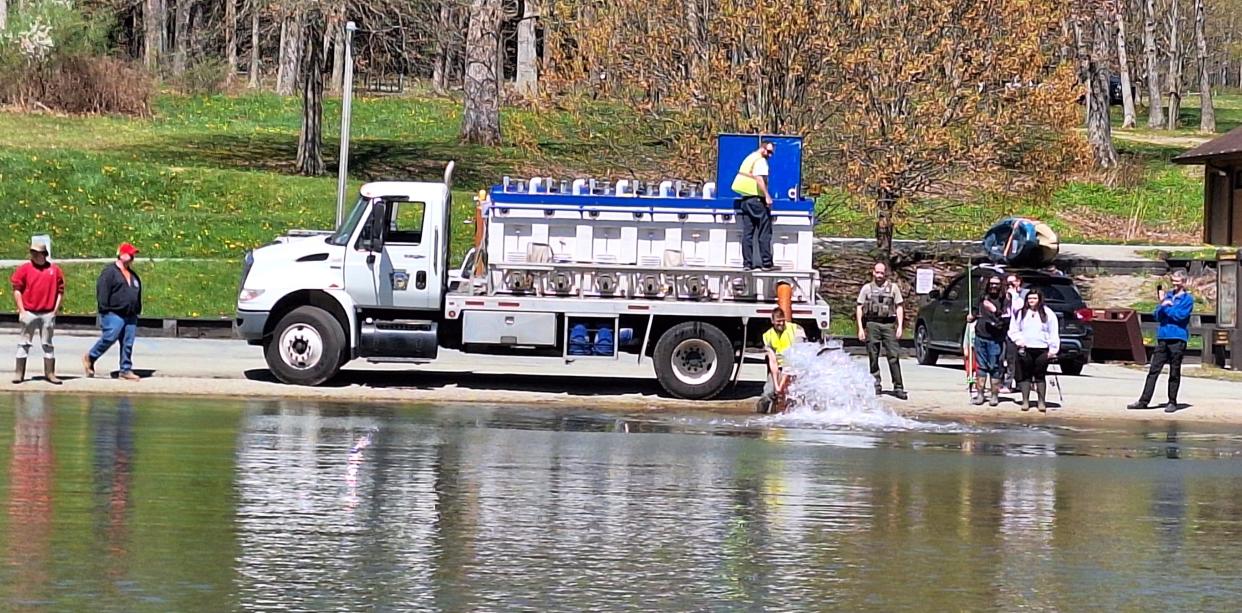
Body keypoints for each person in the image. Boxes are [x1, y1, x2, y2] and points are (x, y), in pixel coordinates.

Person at [1128, 270, 1194, 413]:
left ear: (1184, 282)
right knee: (1153, 370)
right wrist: (1164, 304)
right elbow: (1157, 315)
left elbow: (1180, 316)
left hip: (1177, 338)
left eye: (1177, 281)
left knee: (1174, 371)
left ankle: (1172, 401)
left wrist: (1167, 306)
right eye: (1173, 281)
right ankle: (1143, 401)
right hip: (1163, 337)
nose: (1175, 284)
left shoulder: (1187, 299)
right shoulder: (1168, 296)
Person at [84, 243, 143, 381]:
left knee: (128, 343)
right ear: (121, 255)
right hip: (113, 313)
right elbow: (102, 290)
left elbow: (136, 291)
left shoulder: (133, 274)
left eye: (133, 254)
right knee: (110, 337)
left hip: (130, 314)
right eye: (130, 254)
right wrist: (104, 308)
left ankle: (125, 369)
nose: (132, 257)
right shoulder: (109, 272)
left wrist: (137, 308)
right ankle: (91, 356)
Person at [10, 238, 64, 384]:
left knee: (47, 344)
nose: (34, 255)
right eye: (33, 252)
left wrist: (55, 311)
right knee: (24, 343)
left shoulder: (54, 270)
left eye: (37, 252)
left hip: (47, 313)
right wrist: (22, 310)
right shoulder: (25, 269)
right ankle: (19, 373)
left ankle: (50, 373)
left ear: (44, 254)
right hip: (29, 311)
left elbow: (60, 291)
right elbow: (17, 289)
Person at [857, 262, 906, 400]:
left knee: (893, 356)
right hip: (872, 324)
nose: (879, 275)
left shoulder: (893, 288)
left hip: (888, 325)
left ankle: (898, 387)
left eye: (882, 273)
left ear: (886, 273)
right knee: (873, 355)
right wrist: (860, 328)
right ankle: (876, 384)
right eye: (877, 272)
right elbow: (859, 307)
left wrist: (900, 326)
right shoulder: (866, 288)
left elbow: (899, 307)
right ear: (873, 272)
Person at [1008, 289, 1059, 412]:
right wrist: (1018, 341)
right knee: (1025, 375)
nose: (1032, 301)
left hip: (1042, 349)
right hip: (1025, 348)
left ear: (1040, 299)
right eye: (1030, 298)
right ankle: (1025, 401)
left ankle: (1041, 401)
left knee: (1040, 375)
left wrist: (1053, 349)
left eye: (1034, 298)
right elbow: (1013, 329)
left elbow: (1053, 331)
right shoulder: (1021, 313)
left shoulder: (1048, 313)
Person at [731, 140, 777, 271]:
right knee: (764, 231)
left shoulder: (749, 158)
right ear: (762, 148)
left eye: (771, 153)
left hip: (745, 200)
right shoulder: (760, 161)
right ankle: (766, 263)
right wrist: (767, 195)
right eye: (768, 152)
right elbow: (758, 178)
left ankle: (747, 264)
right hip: (756, 200)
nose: (770, 155)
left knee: (748, 233)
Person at [758, 307, 805, 413]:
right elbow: (772, 361)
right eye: (778, 321)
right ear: (772, 321)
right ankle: (760, 418)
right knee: (768, 394)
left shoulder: (796, 330)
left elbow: (794, 359)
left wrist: (782, 384)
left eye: (783, 320)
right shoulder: (767, 335)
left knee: (794, 396)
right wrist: (776, 385)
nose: (781, 323)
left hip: (794, 367)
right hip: (778, 367)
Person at [970, 275, 1008, 406]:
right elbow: (974, 312)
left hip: (995, 338)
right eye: (991, 284)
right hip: (980, 336)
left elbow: (1007, 318)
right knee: (981, 367)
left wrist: (994, 310)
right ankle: (980, 395)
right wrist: (972, 317)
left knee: (995, 367)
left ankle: (994, 395)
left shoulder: (1005, 300)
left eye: (996, 284)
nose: (993, 286)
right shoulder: (982, 298)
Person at [1001, 272, 1027, 392]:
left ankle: (1009, 383)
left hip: (1015, 330)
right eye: (1008, 283)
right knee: (1001, 357)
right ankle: (1000, 382)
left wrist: (1014, 294)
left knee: (1013, 359)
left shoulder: (1023, 294)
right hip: (1003, 327)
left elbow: (1018, 307)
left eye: (1013, 282)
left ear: (1019, 282)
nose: (1010, 285)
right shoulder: (1003, 294)